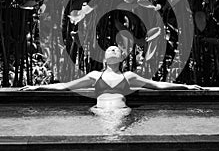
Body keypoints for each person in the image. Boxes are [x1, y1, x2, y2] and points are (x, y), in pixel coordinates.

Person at [20, 46, 204, 110]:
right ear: (105, 58)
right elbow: (65, 86)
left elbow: (157, 85)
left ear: (122, 58)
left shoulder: (129, 76)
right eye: (110, 49)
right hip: (98, 110)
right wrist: (37, 88)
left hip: (120, 111)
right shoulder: (94, 76)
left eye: (116, 49)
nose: (113, 50)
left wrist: (186, 87)